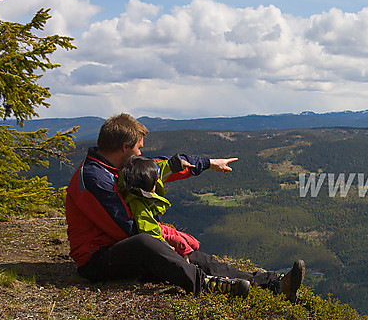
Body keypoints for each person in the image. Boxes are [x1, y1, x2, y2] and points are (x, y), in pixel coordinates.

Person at [65, 113, 304, 301]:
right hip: (97, 259)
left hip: (127, 247)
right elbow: (126, 230)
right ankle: (205, 285)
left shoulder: (120, 168)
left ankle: (272, 285)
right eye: (139, 147)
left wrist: (209, 163)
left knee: (197, 256)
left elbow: (164, 167)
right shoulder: (93, 180)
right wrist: (169, 240)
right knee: (148, 243)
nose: (141, 152)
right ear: (125, 147)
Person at [117, 154, 199, 260]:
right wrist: (165, 247)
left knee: (194, 243)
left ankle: (191, 256)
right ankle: (186, 263)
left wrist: (175, 164)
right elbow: (149, 230)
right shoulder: (138, 204)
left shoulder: (142, 176)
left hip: (158, 226)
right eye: (155, 183)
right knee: (182, 245)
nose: (157, 183)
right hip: (157, 232)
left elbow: (161, 169)